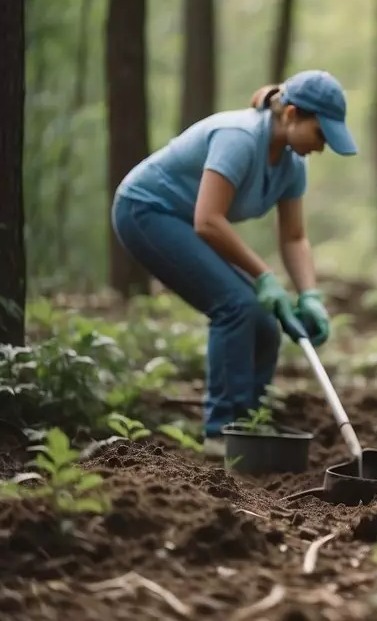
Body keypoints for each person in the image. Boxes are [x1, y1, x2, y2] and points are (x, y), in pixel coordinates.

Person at [111, 70, 358, 457]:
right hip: (146, 211)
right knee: (237, 306)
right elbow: (208, 220)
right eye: (321, 134)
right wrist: (264, 275)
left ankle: (249, 426)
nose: (322, 146)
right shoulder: (240, 138)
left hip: (190, 222)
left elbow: (294, 237)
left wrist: (310, 295)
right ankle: (222, 433)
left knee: (264, 320)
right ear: (291, 114)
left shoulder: (293, 165)